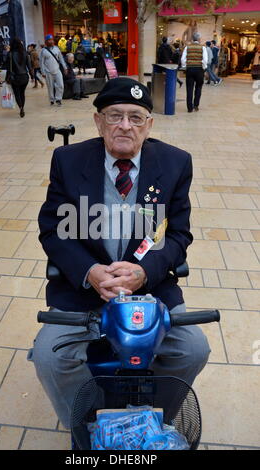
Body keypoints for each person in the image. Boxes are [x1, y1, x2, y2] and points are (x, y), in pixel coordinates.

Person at [28, 77, 211, 430]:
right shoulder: (68, 160)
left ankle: (149, 419)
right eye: (114, 116)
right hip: (82, 289)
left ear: (149, 125)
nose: (125, 126)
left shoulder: (175, 163)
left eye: (135, 117)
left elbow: (177, 234)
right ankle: (93, 422)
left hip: (149, 287)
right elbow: (53, 230)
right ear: (98, 121)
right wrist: (90, 271)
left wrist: (145, 273)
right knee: (51, 358)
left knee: (192, 349)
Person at [5, 38, 32, 118]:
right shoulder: (25, 53)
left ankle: (20, 107)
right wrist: (32, 76)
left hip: (15, 77)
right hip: (24, 77)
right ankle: (22, 107)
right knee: (22, 93)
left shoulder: (10, 54)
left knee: (17, 94)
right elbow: (29, 66)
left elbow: (8, 67)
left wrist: (7, 78)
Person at [181, 32, 208, 112]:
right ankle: (196, 105)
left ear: (192, 39)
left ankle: (189, 108)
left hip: (190, 69)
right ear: (199, 39)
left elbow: (183, 59)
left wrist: (185, 66)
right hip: (199, 70)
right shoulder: (203, 48)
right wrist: (203, 68)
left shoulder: (187, 47)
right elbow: (205, 60)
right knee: (198, 88)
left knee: (189, 89)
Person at [40, 34, 68, 106]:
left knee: (61, 85)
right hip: (48, 71)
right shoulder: (43, 51)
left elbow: (61, 59)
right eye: (49, 40)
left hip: (57, 70)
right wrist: (43, 72)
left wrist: (65, 67)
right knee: (50, 86)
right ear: (46, 41)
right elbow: (41, 62)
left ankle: (58, 99)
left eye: (52, 40)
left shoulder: (57, 49)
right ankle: (52, 99)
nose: (51, 41)